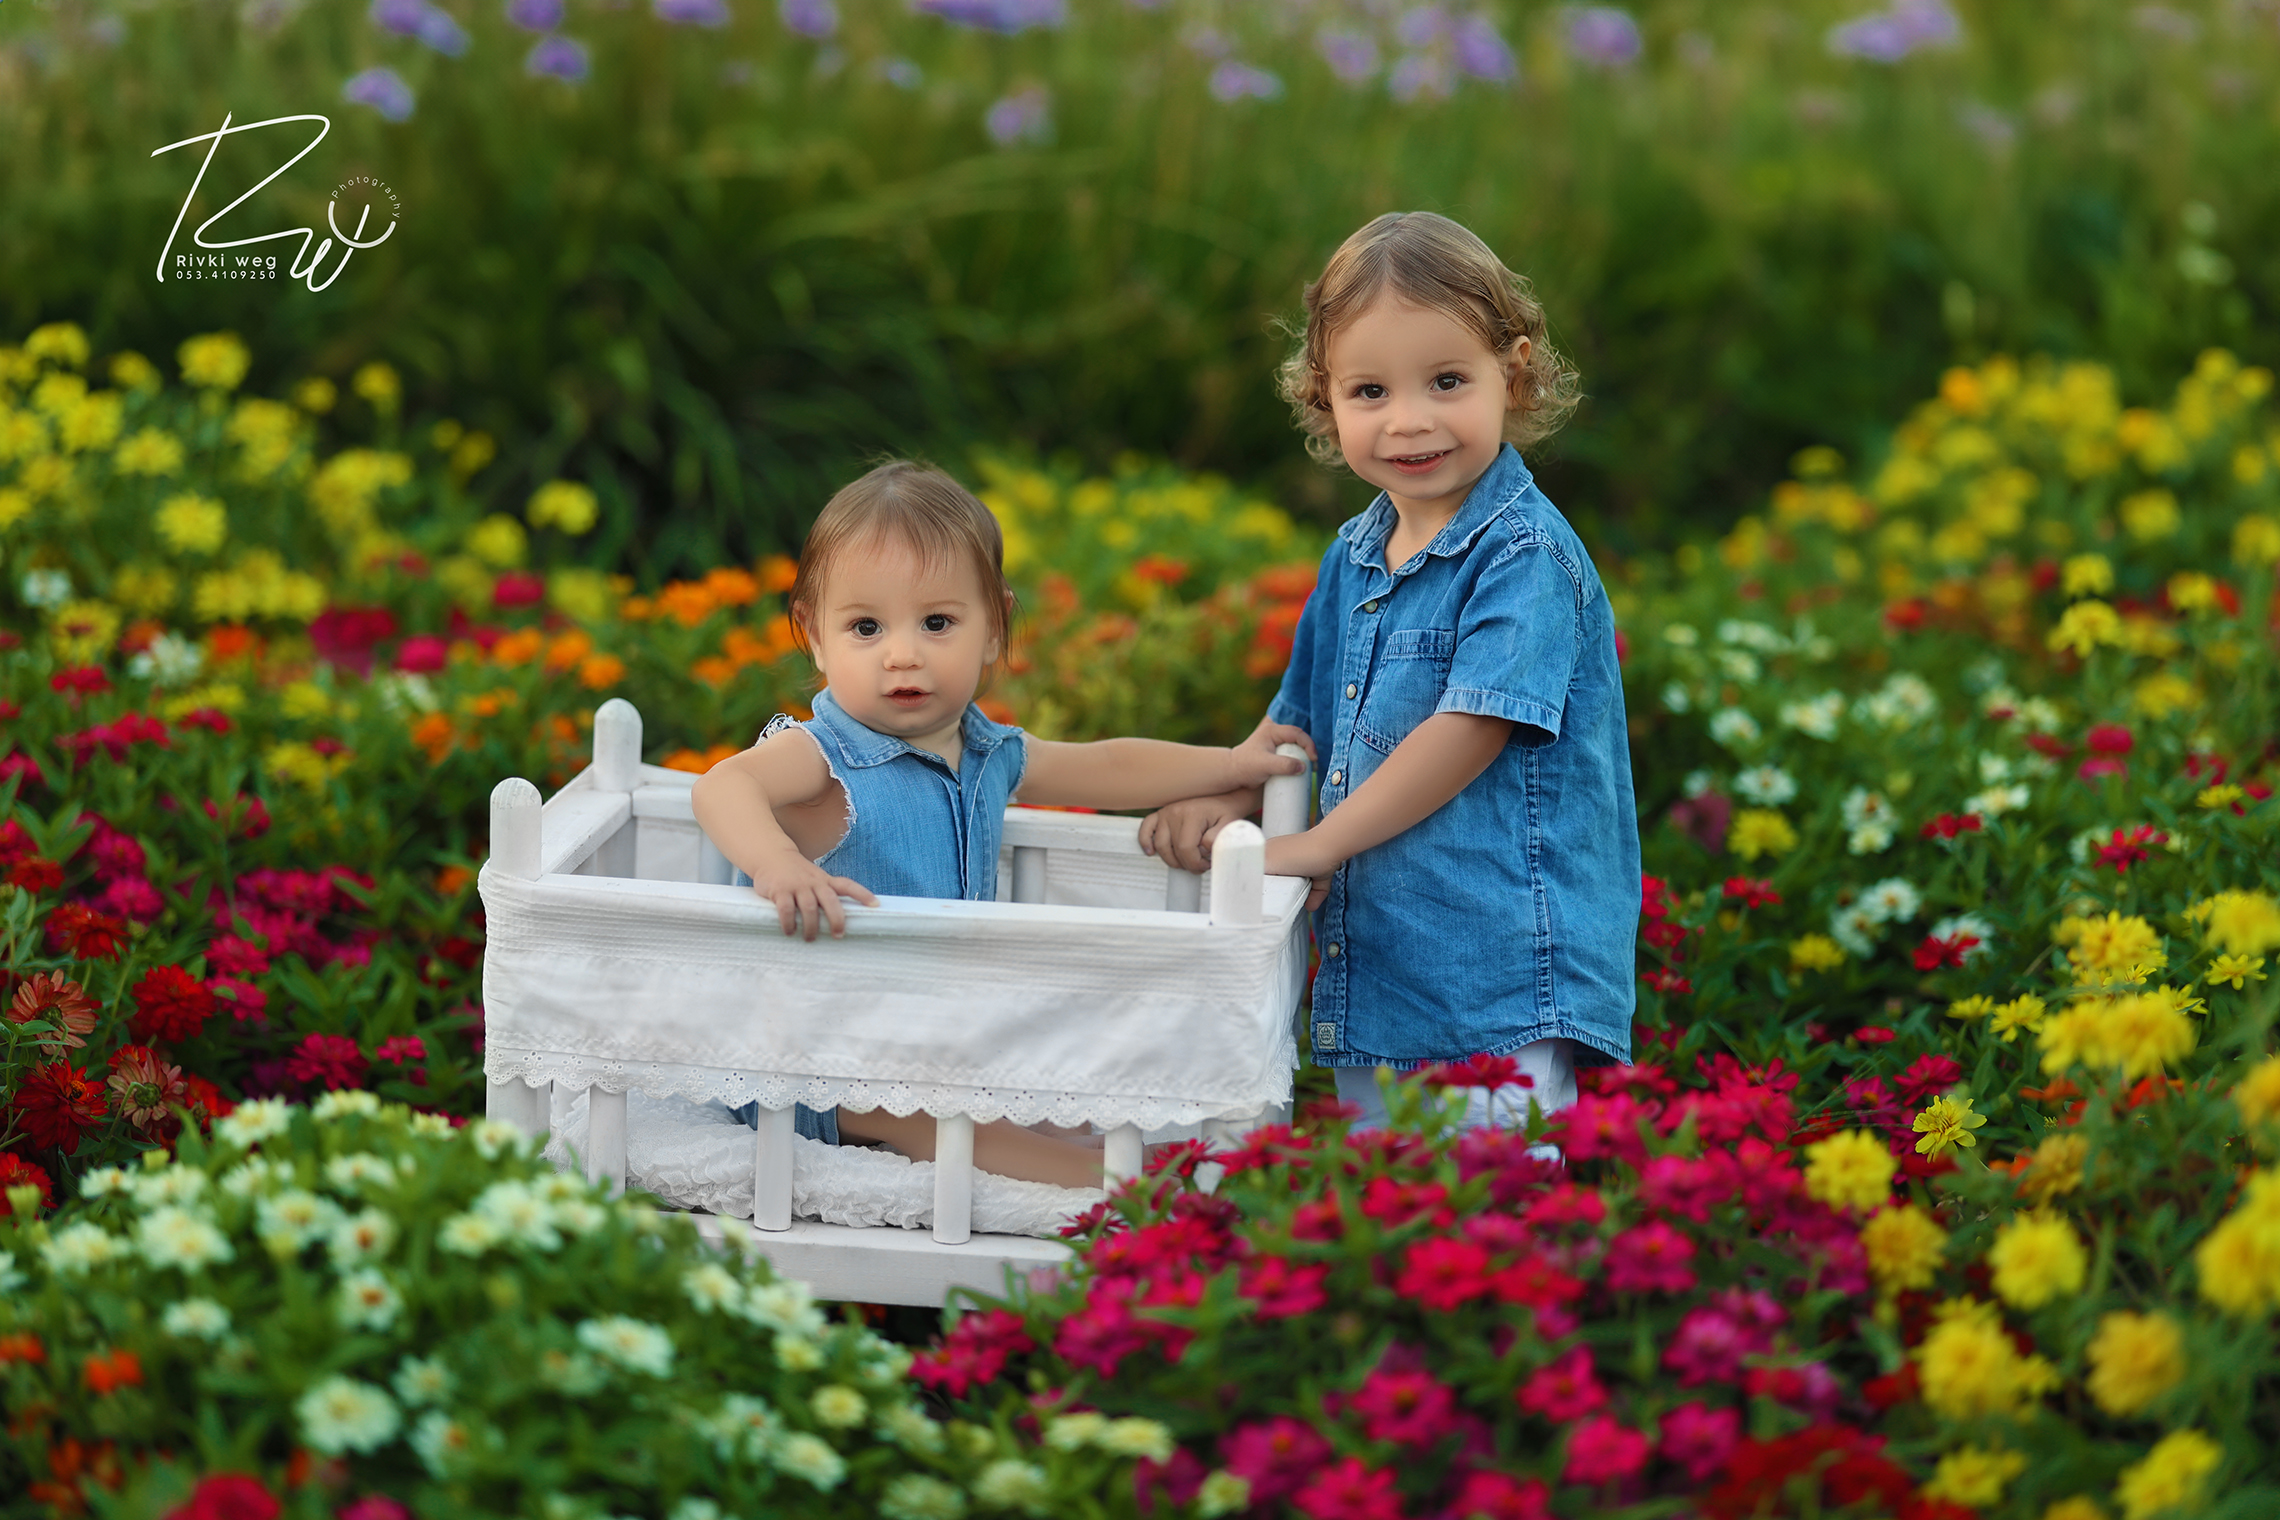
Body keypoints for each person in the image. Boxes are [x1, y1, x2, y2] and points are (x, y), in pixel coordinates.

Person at [1138, 211, 1640, 1136]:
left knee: (1492, 1191)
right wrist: (1227, 795)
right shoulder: (1354, 558)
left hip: (1497, 965)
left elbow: (1470, 728)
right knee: (1391, 1196)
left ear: (1513, 373)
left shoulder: (1524, 555)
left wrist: (1319, 844)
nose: (1409, 420)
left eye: (1447, 381)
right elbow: (1296, 726)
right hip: (1382, 962)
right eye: (1370, 390)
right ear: (1325, 399)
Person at [690, 460, 1314, 1189]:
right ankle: (1108, 1181)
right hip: (812, 1061)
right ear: (815, 636)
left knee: (1001, 1089)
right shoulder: (826, 756)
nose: (902, 654)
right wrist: (777, 864)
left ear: (993, 628)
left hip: (937, 1040)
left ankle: (1072, 1146)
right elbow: (723, 786)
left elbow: (1106, 765)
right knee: (924, 1112)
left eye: (937, 623)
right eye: (865, 627)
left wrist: (1231, 764)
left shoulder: (987, 752)